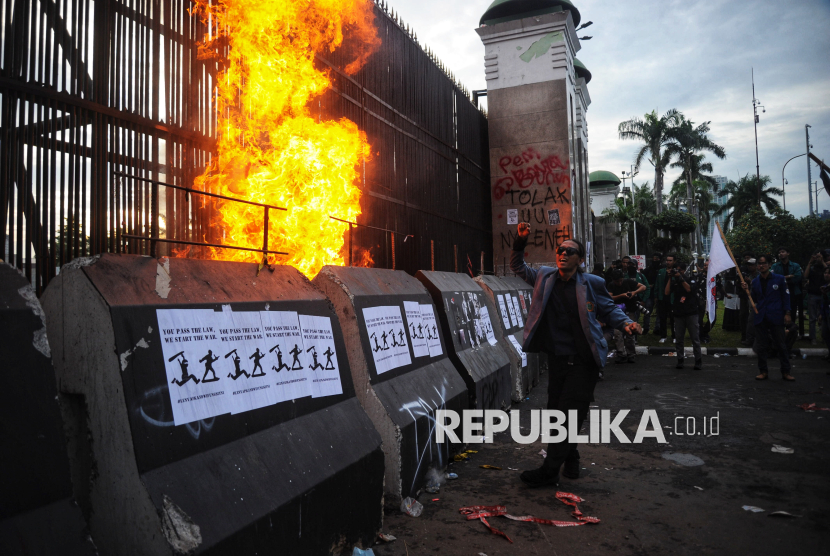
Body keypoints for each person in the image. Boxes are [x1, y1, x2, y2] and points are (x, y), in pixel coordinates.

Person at [510, 222, 640, 488]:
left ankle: (548, 471)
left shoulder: (591, 282)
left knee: (568, 415)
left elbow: (607, 308)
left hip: (584, 361)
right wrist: (520, 241)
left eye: (570, 251)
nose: (563, 254)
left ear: (580, 259)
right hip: (557, 360)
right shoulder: (545, 277)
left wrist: (625, 322)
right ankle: (572, 458)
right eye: (560, 249)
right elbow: (518, 267)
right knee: (557, 414)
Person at [742, 254, 794, 381]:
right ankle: (763, 371)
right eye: (759, 264)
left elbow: (786, 297)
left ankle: (786, 372)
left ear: (769, 265)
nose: (761, 266)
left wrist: (787, 313)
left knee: (781, 345)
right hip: (761, 316)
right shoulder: (755, 281)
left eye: (764, 263)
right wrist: (747, 290)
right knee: (761, 346)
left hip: (776, 316)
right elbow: (754, 299)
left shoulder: (779, 279)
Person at [665, 262, 703, 370]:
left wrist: (681, 278)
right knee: (679, 339)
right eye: (676, 270)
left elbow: (689, 289)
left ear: (683, 270)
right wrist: (670, 278)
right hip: (678, 313)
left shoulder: (690, 279)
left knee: (695, 338)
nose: (677, 272)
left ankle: (698, 360)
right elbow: (667, 292)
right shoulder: (675, 281)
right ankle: (680, 360)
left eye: (679, 270)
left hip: (691, 313)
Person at [607, 268, 646, 364]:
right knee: (618, 333)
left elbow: (643, 287)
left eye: (621, 280)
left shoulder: (628, 282)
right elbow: (609, 297)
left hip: (630, 310)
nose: (619, 283)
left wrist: (634, 293)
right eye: (617, 281)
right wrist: (621, 295)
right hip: (617, 311)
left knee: (630, 333)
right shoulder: (611, 285)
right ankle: (621, 353)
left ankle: (631, 354)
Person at [771, 247, 803, 339]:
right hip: (779, 293)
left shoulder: (795, 265)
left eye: (783, 252)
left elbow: (797, 277)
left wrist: (782, 279)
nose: (781, 254)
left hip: (793, 292)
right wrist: (789, 276)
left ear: (788, 253)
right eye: (779, 252)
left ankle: (790, 333)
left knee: (792, 313)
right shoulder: (775, 266)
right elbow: (773, 278)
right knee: (779, 313)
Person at [803, 250, 826, 345]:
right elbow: (805, 276)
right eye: (816, 256)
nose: (817, 258)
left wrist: (822, 261)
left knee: (824, 317)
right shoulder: (812, 267)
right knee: (812, 318)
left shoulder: (825, 268)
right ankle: (813, 338)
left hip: (823, 295)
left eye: (819, 256)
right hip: (812, 294)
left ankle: (825, 338)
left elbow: (828, 270)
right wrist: (810, 262)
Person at [655, 253, 677, 343]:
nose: (668, 262)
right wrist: (656, 296)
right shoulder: (661, 271)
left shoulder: (676, 272)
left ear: (674, 261)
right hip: (662, 298)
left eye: (670, 260)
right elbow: (657, 284)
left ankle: (674, 336)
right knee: (662, 317)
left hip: (672, 299)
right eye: (667, 260)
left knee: (673, 318)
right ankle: (663, 335)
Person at [739, 259, 758, 346]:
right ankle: (749, 338)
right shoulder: (748, 275)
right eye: (748, 265)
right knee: (749, 319)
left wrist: (751, 282)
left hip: (759, 301)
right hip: (751, 300)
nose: (750, 266)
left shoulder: (759, 275)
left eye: (752, 265)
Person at [642, 252, 662, 334]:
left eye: (657, 258)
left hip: (659, 293)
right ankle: (646, 328)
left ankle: (657, 328)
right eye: (654, 258)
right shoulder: (648, 269)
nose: (655, 260)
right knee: (647, 311)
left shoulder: (662, 269)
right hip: (650, 293)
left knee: (659, 311)